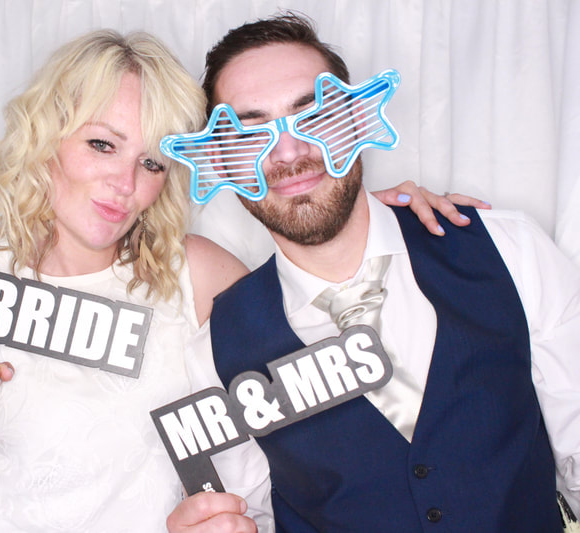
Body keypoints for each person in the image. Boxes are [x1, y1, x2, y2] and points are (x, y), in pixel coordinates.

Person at [0, 27, 479, 533]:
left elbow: (317, 327)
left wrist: (374, 219)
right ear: (46, 142)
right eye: (101, 145)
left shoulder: (196, 274)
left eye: (150, 163)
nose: (126, 183)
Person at [168, 12, 580, 533]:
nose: (290, 152)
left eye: (312, 115)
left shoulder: (509, 249)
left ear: (359, 121)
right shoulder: (214, 355)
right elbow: (254, 520)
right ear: (224, 165)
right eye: (252, 132)